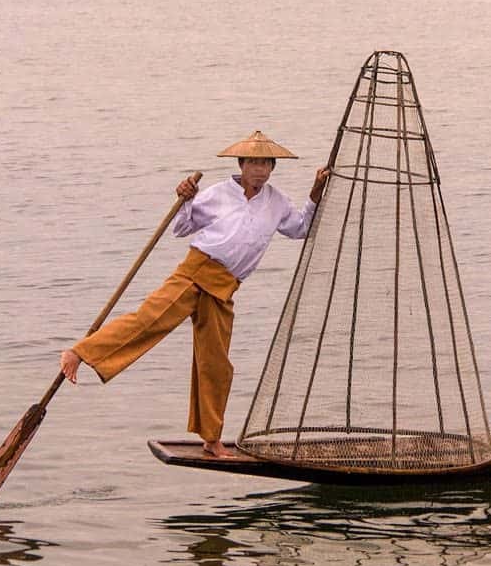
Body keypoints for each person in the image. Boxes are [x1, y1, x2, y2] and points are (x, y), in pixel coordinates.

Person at [60, 131, 329, 458]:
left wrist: (316, 191)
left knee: (216, 364)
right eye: (254, 163)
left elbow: (301, 228)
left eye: (266, 164)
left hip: (225, 286)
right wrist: (185, 199)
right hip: (195, 273)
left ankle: (211, 438)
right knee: (149, 321)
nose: (259, 170)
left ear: (272, 168)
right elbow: (183, 226)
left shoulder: (276, 201)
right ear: (241, 165)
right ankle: (80, 352)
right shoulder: (218, 193)